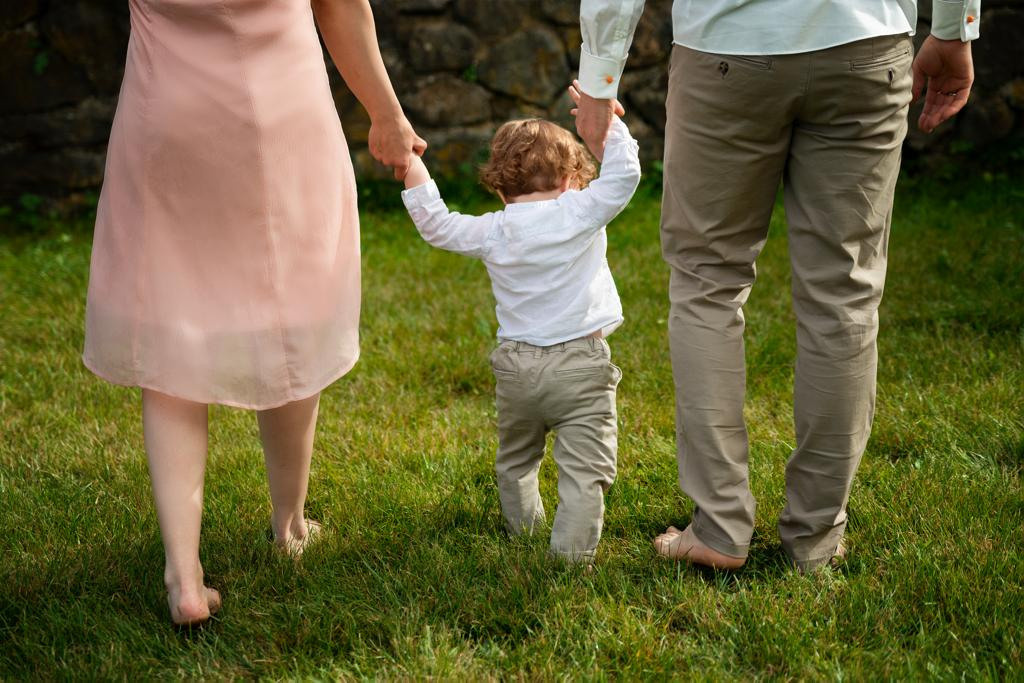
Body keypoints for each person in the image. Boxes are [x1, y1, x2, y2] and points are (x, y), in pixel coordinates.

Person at [574, 0, 979, 571]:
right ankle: (815, 540)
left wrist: (599, 79)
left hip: (727, 50)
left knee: (706, 284)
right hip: (865, 45)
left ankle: (719, 527)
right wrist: (956, 29)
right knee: (845, 295)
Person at [83, 0, 424, 627]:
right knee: (290, 307)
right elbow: (341, 7)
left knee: (172, 331)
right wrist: (387, 115)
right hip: (280, 116)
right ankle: (289, 523)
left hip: (166, 119)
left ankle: (184, 577)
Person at [399, 84, 641, 563]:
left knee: (516, 461)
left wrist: (411, 163)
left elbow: (437, 224)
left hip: (517, 370)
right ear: (573, 178)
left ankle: (525, 532)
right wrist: (609, 125)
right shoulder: (581, 211)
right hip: (581, 366)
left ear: (500, 185)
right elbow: (625, 175)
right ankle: (570, 559)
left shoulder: (494, 229)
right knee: (584, 470)